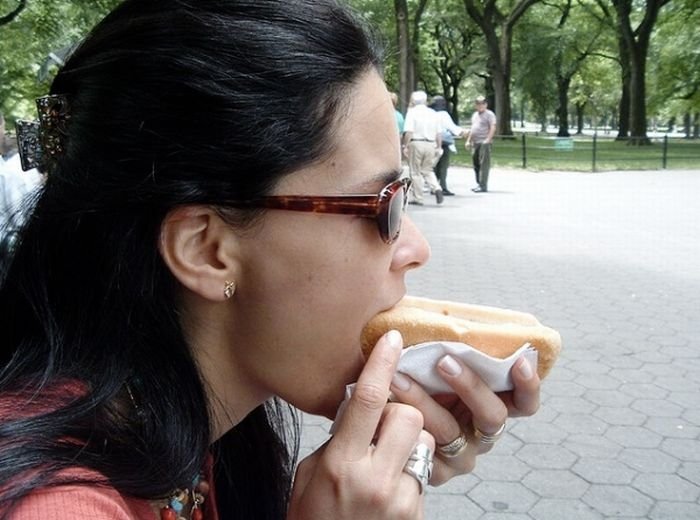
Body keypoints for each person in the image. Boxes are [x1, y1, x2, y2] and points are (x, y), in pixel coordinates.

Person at [0, 1, 540, 519]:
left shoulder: (193, 436)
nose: (417, 250)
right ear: (207, 250)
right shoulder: (52, 504)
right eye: (386, 205)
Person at [402, 91, 444, 205]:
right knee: (427, 170)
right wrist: (439, 146)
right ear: (425, 101)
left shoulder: (412, 113)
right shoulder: (433, 113)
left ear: (413, 101)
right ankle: (436, 187)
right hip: (431, 143)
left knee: (415, 172)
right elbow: (439, 133)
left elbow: (409, 131)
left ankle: (418, 197)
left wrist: (405, 145)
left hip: (417, 143)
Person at [430, 96, 467, 196]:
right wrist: (463, 132)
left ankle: (434, 187)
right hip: (443, 143)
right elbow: (452, 128)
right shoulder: (444, 114)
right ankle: (443, 187)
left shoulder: (429, 114)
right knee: (443, 166)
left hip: (430, 142)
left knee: (434, 166)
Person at [467, 95, 497, 193]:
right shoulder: (475, 115)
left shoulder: (489, 114)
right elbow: (472, 128)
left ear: (486, 104)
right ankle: (478, 183)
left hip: (484, 142)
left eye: (482, 103)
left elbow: (493, 127)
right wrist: (468, 140)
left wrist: (488, 139)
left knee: (484, 164)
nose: (480, 105)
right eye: (478, 103)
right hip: (475, 142)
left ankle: (483, 185)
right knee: (476, 164)